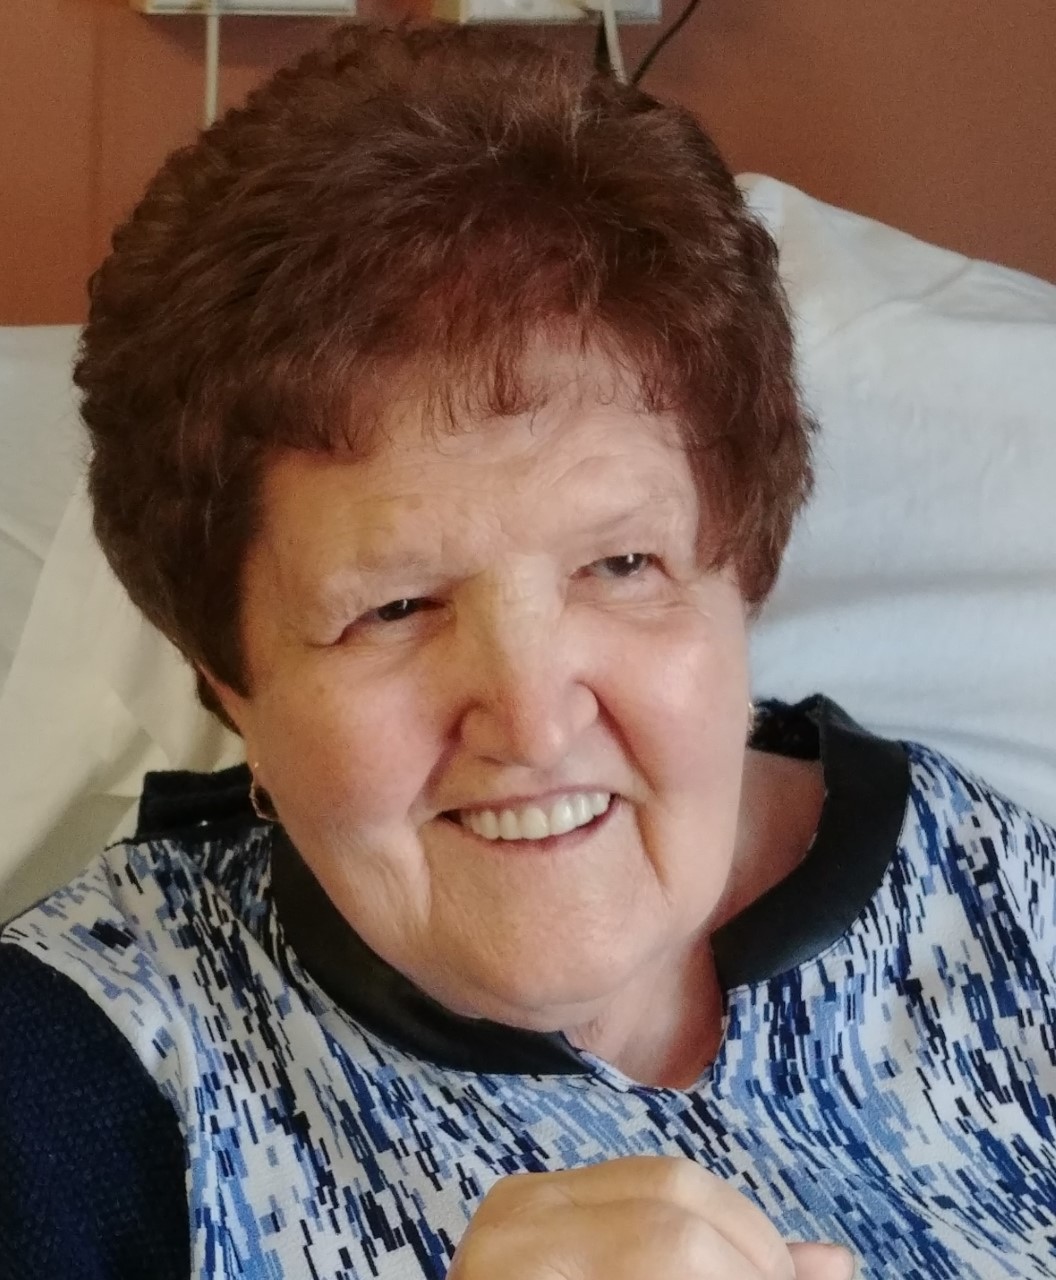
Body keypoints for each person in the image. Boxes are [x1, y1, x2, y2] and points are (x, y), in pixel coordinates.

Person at [1, 22, 1053, 1280]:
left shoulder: (997, 891)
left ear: (743, 578)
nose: (535, 719)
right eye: (395, 607)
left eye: (622, 564)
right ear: (231, 681)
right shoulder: (67, 1083)